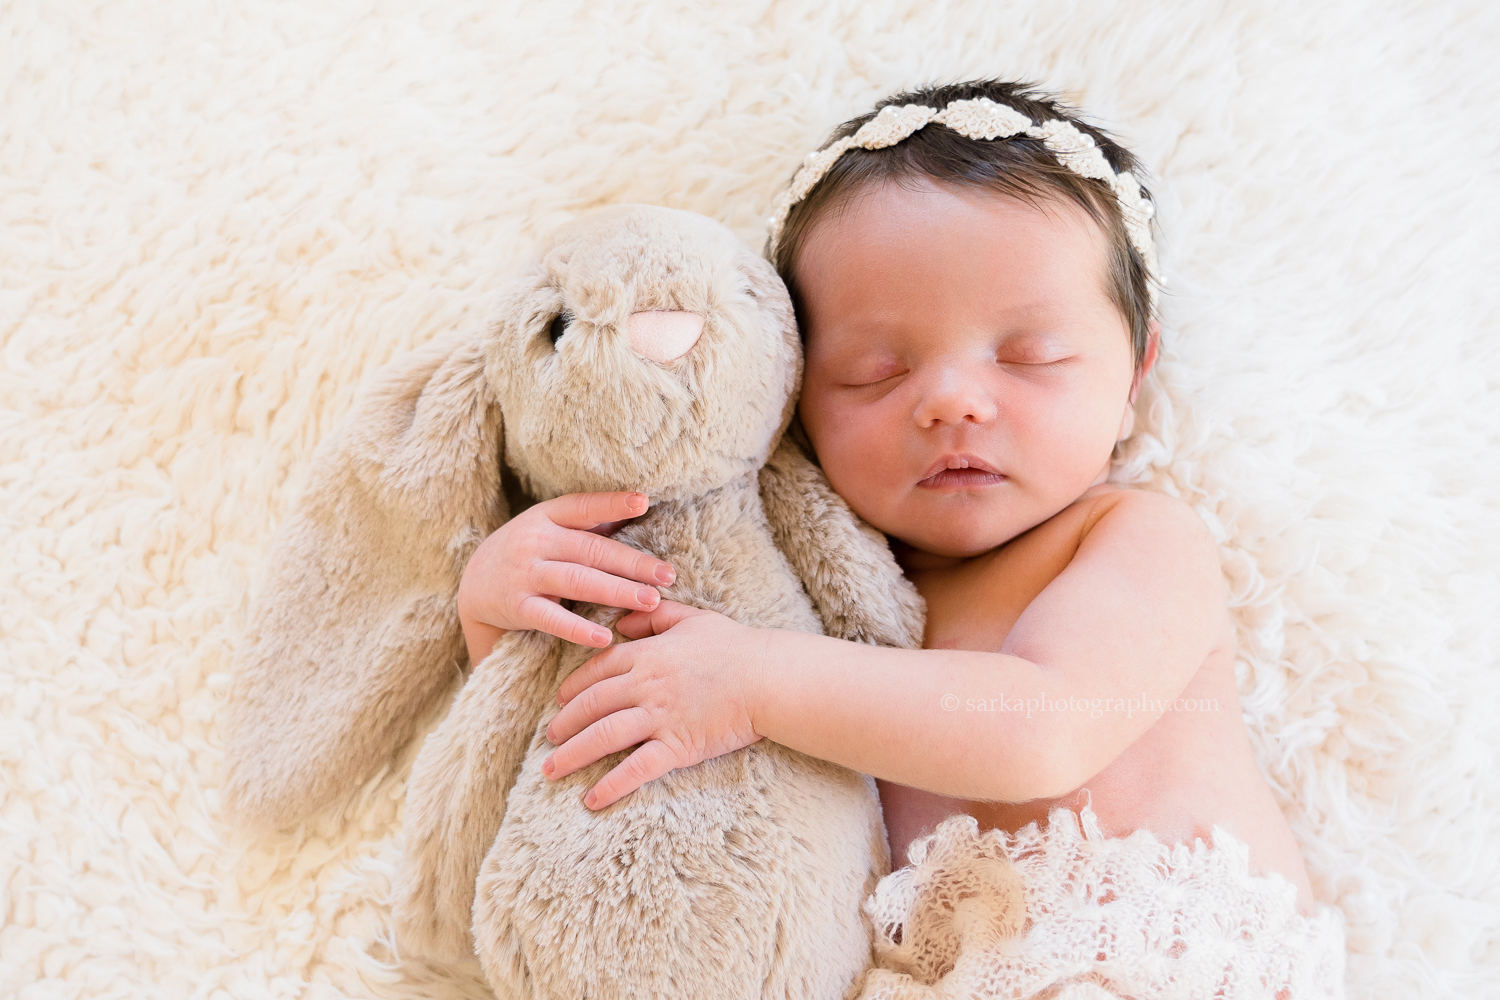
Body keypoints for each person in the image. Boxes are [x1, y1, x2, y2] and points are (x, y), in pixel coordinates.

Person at [455, 79, 1346, 997]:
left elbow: (1043, 726)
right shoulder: (809, 599)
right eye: (875, 372)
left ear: (1133, 376)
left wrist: (757, 682)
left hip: (1151, 962)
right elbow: (602, 731)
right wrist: (505, 613)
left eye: (1030, 356)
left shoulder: (1130, 536)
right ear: (795, 393)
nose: (952, 400)